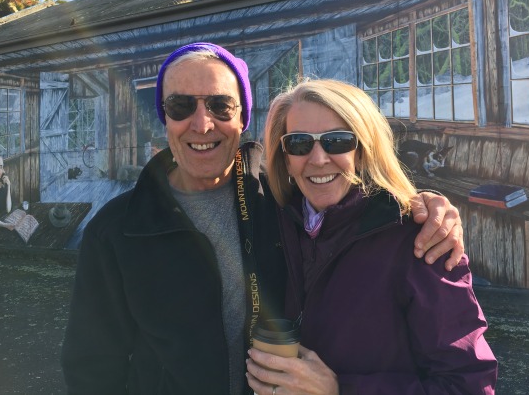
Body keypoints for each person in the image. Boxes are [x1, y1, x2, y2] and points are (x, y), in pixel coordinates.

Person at [61, 43, 465, 395]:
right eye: (181, 106)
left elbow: (357, 207)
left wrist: (424, 205)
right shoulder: (117, 230)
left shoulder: (280, 198)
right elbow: (93, 368)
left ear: (242, 118)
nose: (202, 124)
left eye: (220, 105)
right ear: (163, 117)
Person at [246, 79, 497, 395]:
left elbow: (469, 386)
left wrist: (339, 390)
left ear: (364, 150)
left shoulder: (420, 240)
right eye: (299, 143)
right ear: (285, 156)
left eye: (337, 141)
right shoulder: (278, 221)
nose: (318, 158)